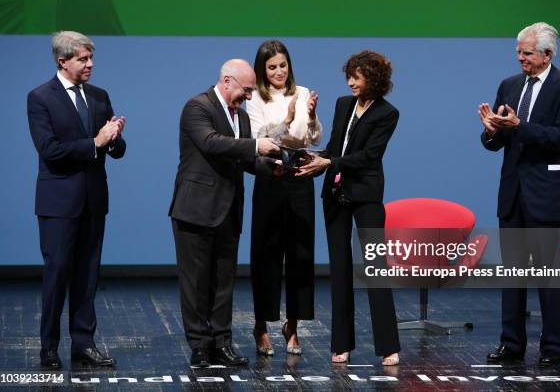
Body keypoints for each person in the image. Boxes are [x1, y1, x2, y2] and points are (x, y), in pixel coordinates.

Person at [478, 22, 560, 366]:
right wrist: (491, 130)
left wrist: (519, 127)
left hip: (547, 194)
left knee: (548, 275)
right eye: (518, 52)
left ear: (547, 54)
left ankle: (553, 348)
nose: (520, 58)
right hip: (513, 193)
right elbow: (495, 143)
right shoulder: (509, 85)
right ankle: (512, 345)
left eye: (527, 53)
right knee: (513, 274)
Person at [169, 59, 279, 368]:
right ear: (227, 81)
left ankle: (222, 342)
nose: (248, 96)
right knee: (195, 283)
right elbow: (212, 143)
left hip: (228, 211)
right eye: (246, 89)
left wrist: (277, 168)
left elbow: (244, 160)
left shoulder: (241, 117)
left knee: (223, 282)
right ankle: (200, 346)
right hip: (195, 210)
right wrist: (257, 145)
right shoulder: (197, 107)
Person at [27, 31, 126, 369]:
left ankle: (83, 344)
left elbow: (117, 150)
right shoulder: (40, 98)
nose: (90, 64)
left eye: (90, 58)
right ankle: (49, 348)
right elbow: (50, 150)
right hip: (58, 204)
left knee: (87, 277)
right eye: (83, 59)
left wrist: (114, 138)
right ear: (62, 61)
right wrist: (96, 142)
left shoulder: (99, 96)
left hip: (94, 202)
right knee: (57, 276)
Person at [297, 50, 401, 366]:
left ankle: (388, 346)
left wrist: (330, 161)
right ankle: (341, 344)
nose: (350, 82)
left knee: (374, 268)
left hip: (366, 195)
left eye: (356, 76)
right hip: (335, 194)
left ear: (373, 78)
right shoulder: (344, 104)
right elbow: (335, 147)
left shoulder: (387, 113)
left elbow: (370, 156)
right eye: (349, 76)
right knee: (339, 270)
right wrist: (317, 160)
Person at [246, 40, 322, 356]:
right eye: (272, 67)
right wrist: (287, 121)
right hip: (271, 178)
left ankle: (293, 325)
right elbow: (256, 137)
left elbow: (314, 137)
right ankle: (262, 325)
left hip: (301, 177)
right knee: (266, 254)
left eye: (283, 65)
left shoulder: (303, 92)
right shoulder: (254, 98)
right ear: (262, 70)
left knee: (301, 254)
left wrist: (313, 118)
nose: (279, 72)